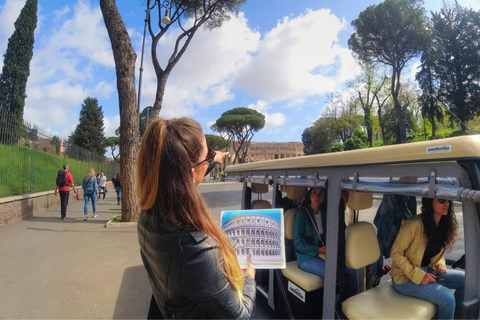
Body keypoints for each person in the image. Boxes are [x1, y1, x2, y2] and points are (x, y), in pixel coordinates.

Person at [136, 117, 256, 319]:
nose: (209, 157)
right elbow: (239, 316)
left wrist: (211, 159)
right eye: (206, 154)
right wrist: (250, 278)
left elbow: (182, 173)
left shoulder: (147, 217)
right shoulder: (196, 250)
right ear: (190, 173)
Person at [390, 197, 465, 320]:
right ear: (430, 202)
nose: (446, 203)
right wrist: (419, 276)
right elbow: (396, 252)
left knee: (464, 280)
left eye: (448, 200)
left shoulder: (441, 225)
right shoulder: (413, 224)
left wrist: (441, 263)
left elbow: (433, 253)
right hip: (404, 278)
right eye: (441, 200)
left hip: (426, 271)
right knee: (447, 298)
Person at [293, 187, 359, 298]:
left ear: (324, 197)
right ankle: (335, 309)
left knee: (352, 271)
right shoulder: (302, 214)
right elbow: (298, 243)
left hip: (324, 253)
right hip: (306, 256)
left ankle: (353, 302)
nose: (317, 196)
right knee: (333, 274)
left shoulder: (325, 213)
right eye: (314, 193)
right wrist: (318, 250)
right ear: (309, 195)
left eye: (320, 194)